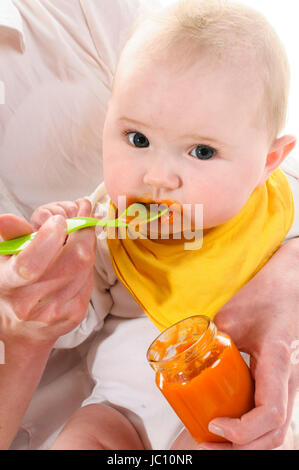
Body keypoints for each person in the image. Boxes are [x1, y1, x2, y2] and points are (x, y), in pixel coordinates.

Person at [0, 0, 298, 451]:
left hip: (230, 405)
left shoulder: (277, 204)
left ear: (268, 162)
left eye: (201, 152)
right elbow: (71, 328)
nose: (157, 177)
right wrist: (56, 275)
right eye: (137, 139)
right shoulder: (104, 227)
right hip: (119, 408)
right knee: (80, 437)